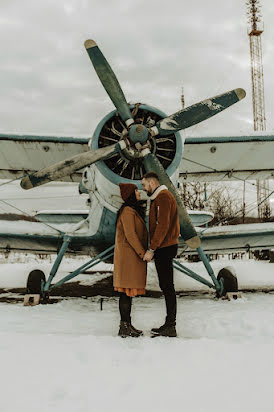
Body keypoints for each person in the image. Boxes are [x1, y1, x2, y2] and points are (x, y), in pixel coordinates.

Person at [142, 172, 180, 337]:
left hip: (165, 247)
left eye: (144, 185)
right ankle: (169, 323)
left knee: (168, 287)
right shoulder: (159, 198)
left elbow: (162, 225)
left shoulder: (163, 198)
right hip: (164, 247)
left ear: (152, 183)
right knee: (166, 286)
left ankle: (171, 325)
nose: (143, 189)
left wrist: (152, 249)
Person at [113, 183, 148, 338]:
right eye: (136, 192)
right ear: (130, 195)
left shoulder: (129, 210)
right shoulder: (128, 211)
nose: (139, 194)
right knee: (125, 293)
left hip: (129, 258)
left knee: (127, 293)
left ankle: (127, 325)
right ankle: (124, 326)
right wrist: (142, 253)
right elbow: (131, 235)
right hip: (129, 259)